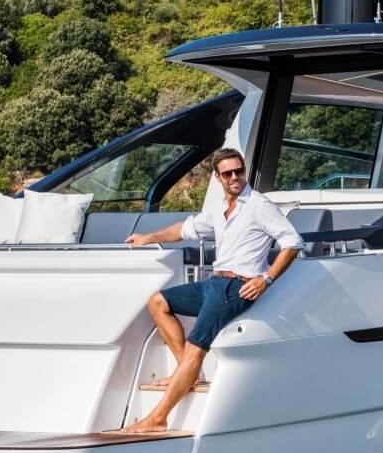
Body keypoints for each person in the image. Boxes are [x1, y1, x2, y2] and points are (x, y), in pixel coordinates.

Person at [120, 148, 303, 433]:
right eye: (228, 173)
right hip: (214, 283)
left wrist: (266, 279)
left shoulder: (259, 205)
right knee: (158, 302)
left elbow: (292, 241)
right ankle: (187, 374)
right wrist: (148, 237)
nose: (235, 177)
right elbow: (185, 229)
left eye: (239, 171)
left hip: (236, 287)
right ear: (217, 177)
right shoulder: (219, 209)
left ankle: (158, 418)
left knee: (196, 348)